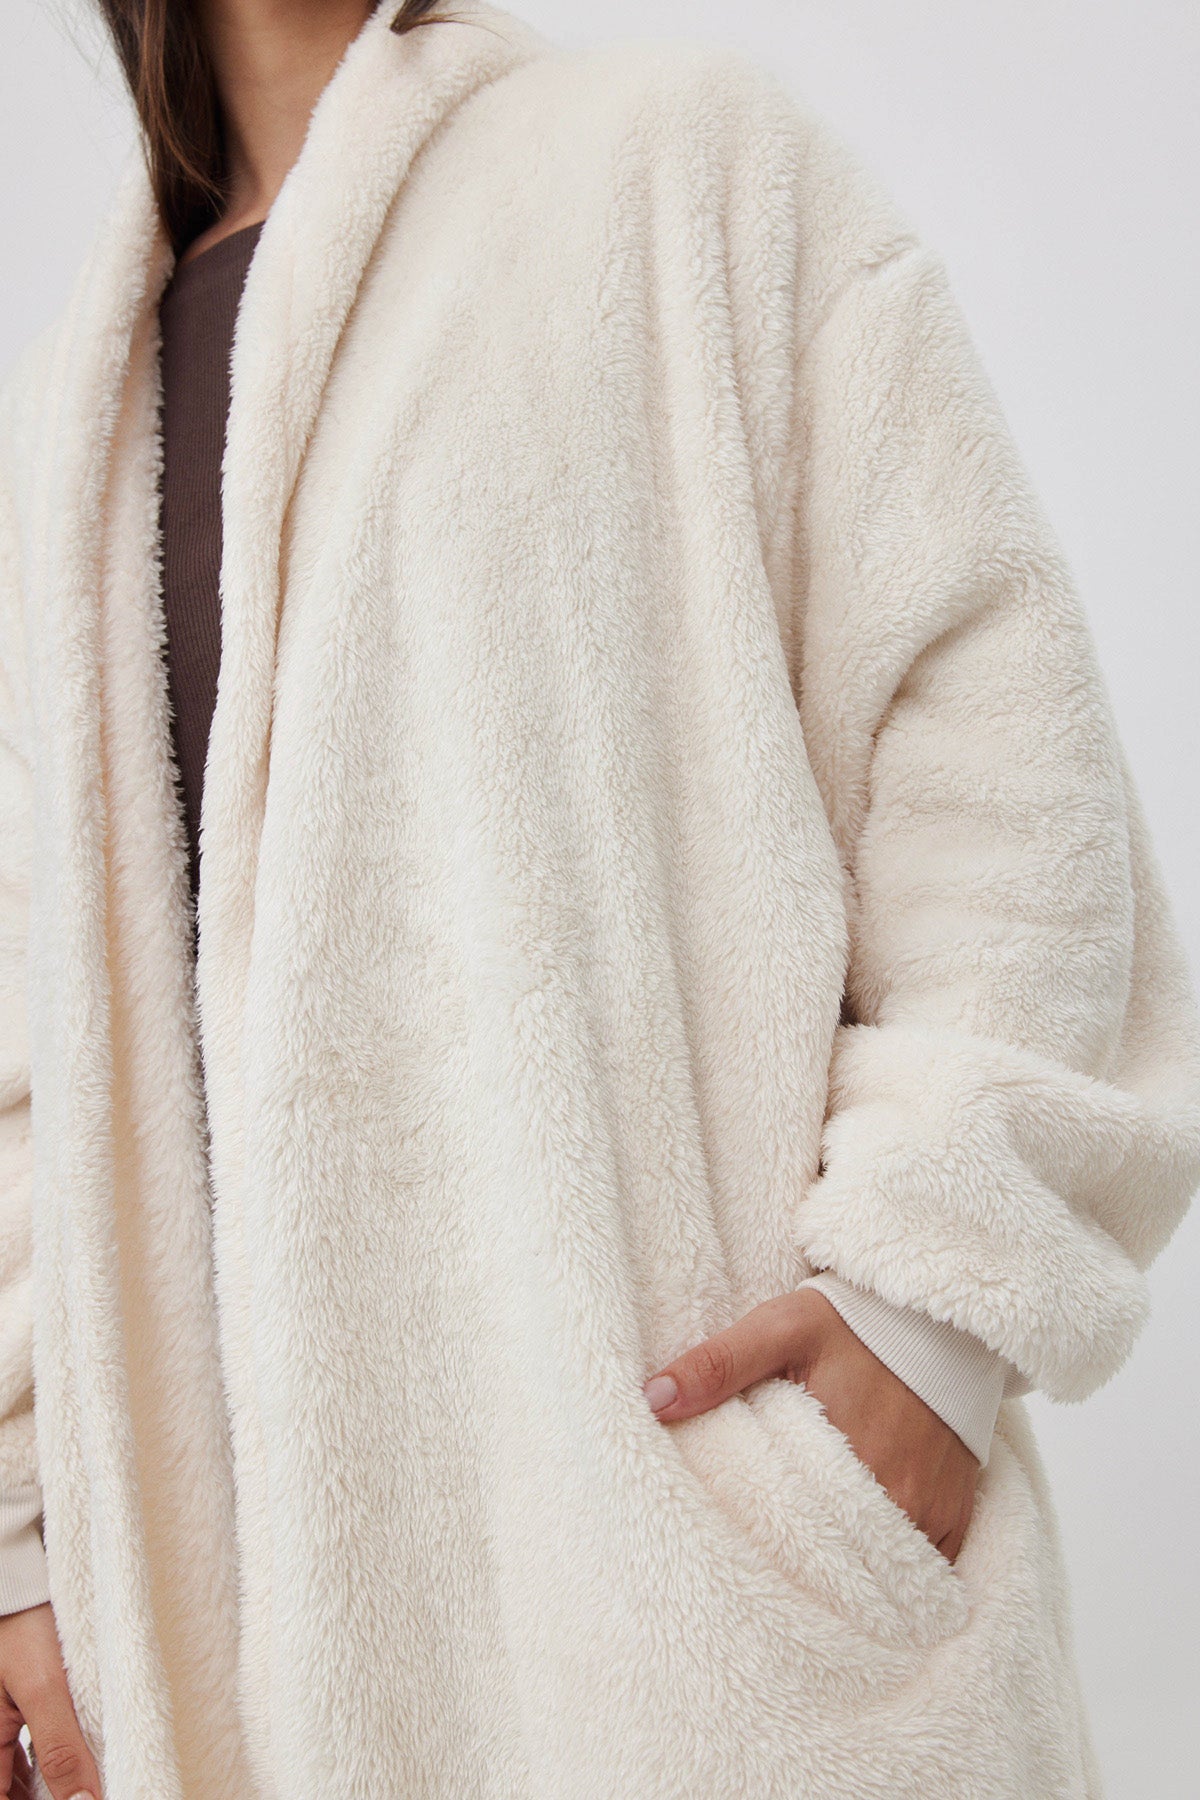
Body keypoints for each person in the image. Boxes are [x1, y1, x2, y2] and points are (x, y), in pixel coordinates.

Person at [0, 0, 1196, 1794]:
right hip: (221, 1665)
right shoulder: (64, 421)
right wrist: (26, 1524)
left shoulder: (683, 170)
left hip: (686, 1635)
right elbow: (29, 1033)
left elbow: (1003, 763)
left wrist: (925, 1321)